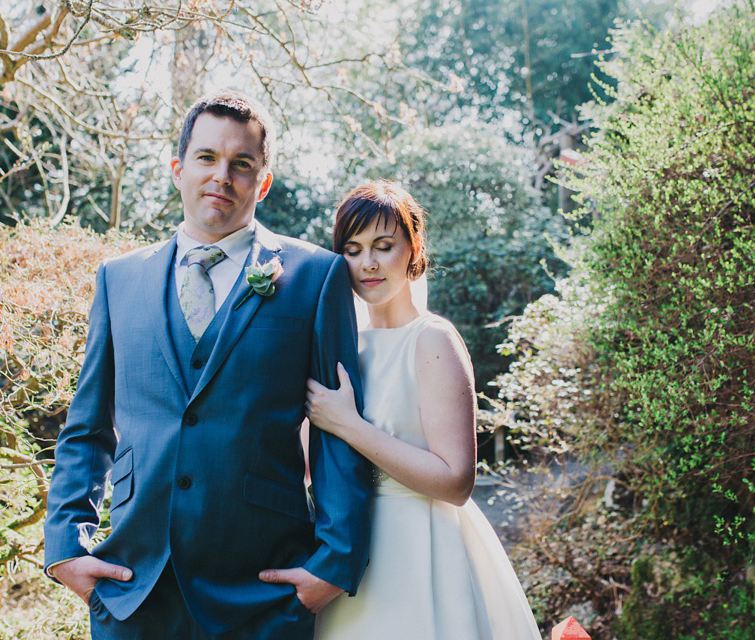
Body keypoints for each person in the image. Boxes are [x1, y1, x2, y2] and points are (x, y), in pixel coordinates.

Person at [43, 90, 374, 639]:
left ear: (261, 182)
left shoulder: (317, 277)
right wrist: (65, 550)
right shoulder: (118, 280)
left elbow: (337, 429)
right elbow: (87, 427)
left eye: (241, 164)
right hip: (132, 584)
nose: (223, 175)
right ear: (178, 169)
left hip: (266, 588)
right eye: (207, 158)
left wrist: (333, 563)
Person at [263, 180, 542, 639]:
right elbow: (310, 471)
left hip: (421, 551)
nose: (367, 263)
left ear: (413, 250)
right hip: (346, 555)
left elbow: (456, 482)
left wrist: (350, 426)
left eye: (383, 246)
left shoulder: (432, 340)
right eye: (352, 250)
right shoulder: (341, 348)